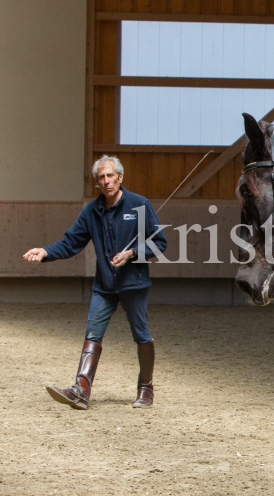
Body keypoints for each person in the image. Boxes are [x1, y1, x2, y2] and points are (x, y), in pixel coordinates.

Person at [23, 155, 168, 409]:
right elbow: (71, 243)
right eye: (101, 177)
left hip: (134, 285)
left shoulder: (139, 205)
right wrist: (45, 252)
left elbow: (159, 243)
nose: (106, 181)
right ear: (97, 183)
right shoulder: (91, 211)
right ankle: (81, 390)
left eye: (110, 175)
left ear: (120, 178)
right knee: (93, 333)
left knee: (141, 335)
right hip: (104, 286)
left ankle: (146, 388)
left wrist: (132, 253)